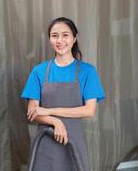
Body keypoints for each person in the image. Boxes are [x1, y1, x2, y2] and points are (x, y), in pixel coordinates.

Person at [21, 17, 105, 171]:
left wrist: (50, 111)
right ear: (50, 40)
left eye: (65, 35)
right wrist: (56, 122)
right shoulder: (39, 71)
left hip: (73, 141)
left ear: (74, 39)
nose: (60, 40)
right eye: (54, 36)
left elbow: (89, 110)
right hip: (44, 143)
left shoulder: (87, 71)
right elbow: (33, 112)